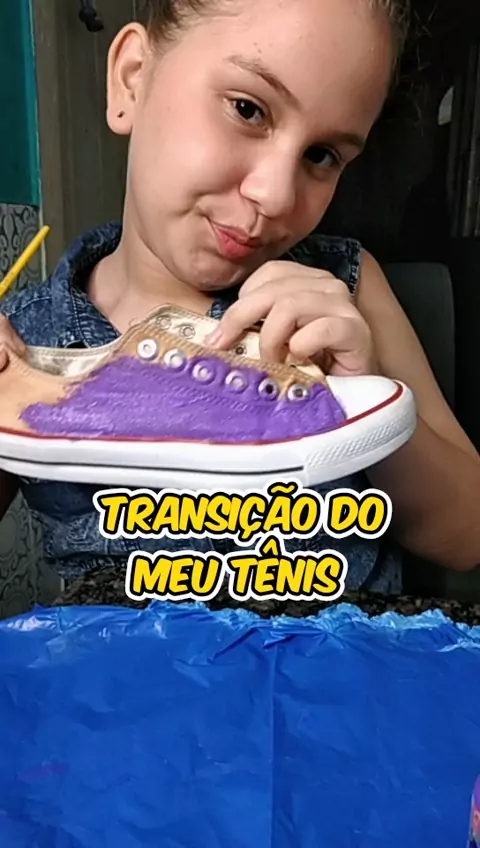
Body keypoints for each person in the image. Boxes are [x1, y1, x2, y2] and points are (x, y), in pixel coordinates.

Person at [0, 0, 479, 592]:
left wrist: (359, 397)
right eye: (248, 109)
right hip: (123, 654)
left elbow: (467, 536)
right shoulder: (26, 344)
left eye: (322, 156)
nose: (276, 195)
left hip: (332, 648)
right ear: (132, 78)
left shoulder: (346, 287)